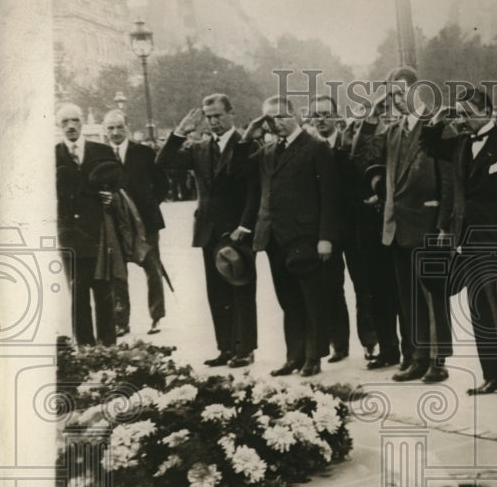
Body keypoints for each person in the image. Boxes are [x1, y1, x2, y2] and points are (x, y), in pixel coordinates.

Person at [422, 84, 497, 398]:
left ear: (486, 112)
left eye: (465, 114)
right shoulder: (461, 143)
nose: (460, 120)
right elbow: (429, 144)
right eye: (457, 114)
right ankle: (492, 377)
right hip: (468, 244)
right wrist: (437, 118)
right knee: (480, 312)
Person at [351, 67, 455, 383]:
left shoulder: (437, 127)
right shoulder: (393, 131)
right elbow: (360, 154)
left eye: (401, 92)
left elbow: (449, 182)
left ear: (417, 90)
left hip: (428, 225)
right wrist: (372, 113)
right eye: (392, 94)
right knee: (409, 296)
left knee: (433, 297)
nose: (397, 99)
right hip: (396, 227)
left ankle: (438, 360)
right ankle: (419, 357)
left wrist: (444, 226)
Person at [238, 96, 340, 377]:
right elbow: (237, 171)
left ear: (295, 115)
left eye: (282, 116)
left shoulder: (315, 148)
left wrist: (325, 237)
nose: (277, 123)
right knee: (289, 300)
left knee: (312, 299)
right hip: (275, 238)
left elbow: (329, 196)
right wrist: (249, 136)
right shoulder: (268, 150)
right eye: (271, 119)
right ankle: (293, 355)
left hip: (305, 236)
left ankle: (313, 356)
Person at [156, 93, 258, 367]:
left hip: (237, 230)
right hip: (208, 230)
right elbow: (164, 162)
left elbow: (254, 190)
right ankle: (225, 347)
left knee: (241, 288)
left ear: (231, 113)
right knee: (216, 292)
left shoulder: (246, 143)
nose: (213, 122)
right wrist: (179, 133)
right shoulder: (199, 148)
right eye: (208, 117)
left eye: (218, 116)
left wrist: (245, 226)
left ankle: (244, 349)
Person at [304, 94, 369, 364]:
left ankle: (370, 342)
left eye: (325, 114)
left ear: (336, 117)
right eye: (315, 115)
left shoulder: (350, 143)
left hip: (355, 227)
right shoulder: (309, 148)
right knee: (332, 287)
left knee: (364, 286)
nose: (320, 120)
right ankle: (339, 344)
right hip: (326, 230)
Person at [55, 103, 117, 346]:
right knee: (78, 296)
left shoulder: (101, 151)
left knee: (104, 294)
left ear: (82, 123)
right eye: (65, 122)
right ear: (59, 126)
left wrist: (112, 198)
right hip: (70, 236)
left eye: (75, 121)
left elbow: (118, 186)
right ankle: (86, 349)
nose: (71, 126)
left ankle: (108, 347)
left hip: (99, 233)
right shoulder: (51, 155)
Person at [102, 109, 168, 336]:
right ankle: (122, 321)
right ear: (104, 131)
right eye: (110, 128)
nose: (116, 132)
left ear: (127, 128)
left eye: (120, 127)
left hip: (146, 224)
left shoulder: (144, 153)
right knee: (118, 275)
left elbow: (162, 184)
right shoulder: (101, 155)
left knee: (153, 268)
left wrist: (148, 206)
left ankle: (156, 317)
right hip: (116, 225)